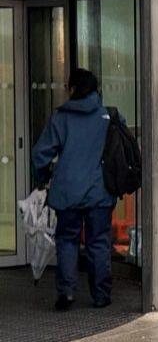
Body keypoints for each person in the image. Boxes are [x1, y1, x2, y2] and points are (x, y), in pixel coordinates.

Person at [31, 69, 121, 310]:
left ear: (72, 89)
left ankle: (67, 294)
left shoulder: (61, 118)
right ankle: (101, 295)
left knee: (67, 241)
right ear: (96, 89)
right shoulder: (108, 116)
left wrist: (42, 177)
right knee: (98, 242)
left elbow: (40, 154)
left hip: (68, 191)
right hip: (99, 191)